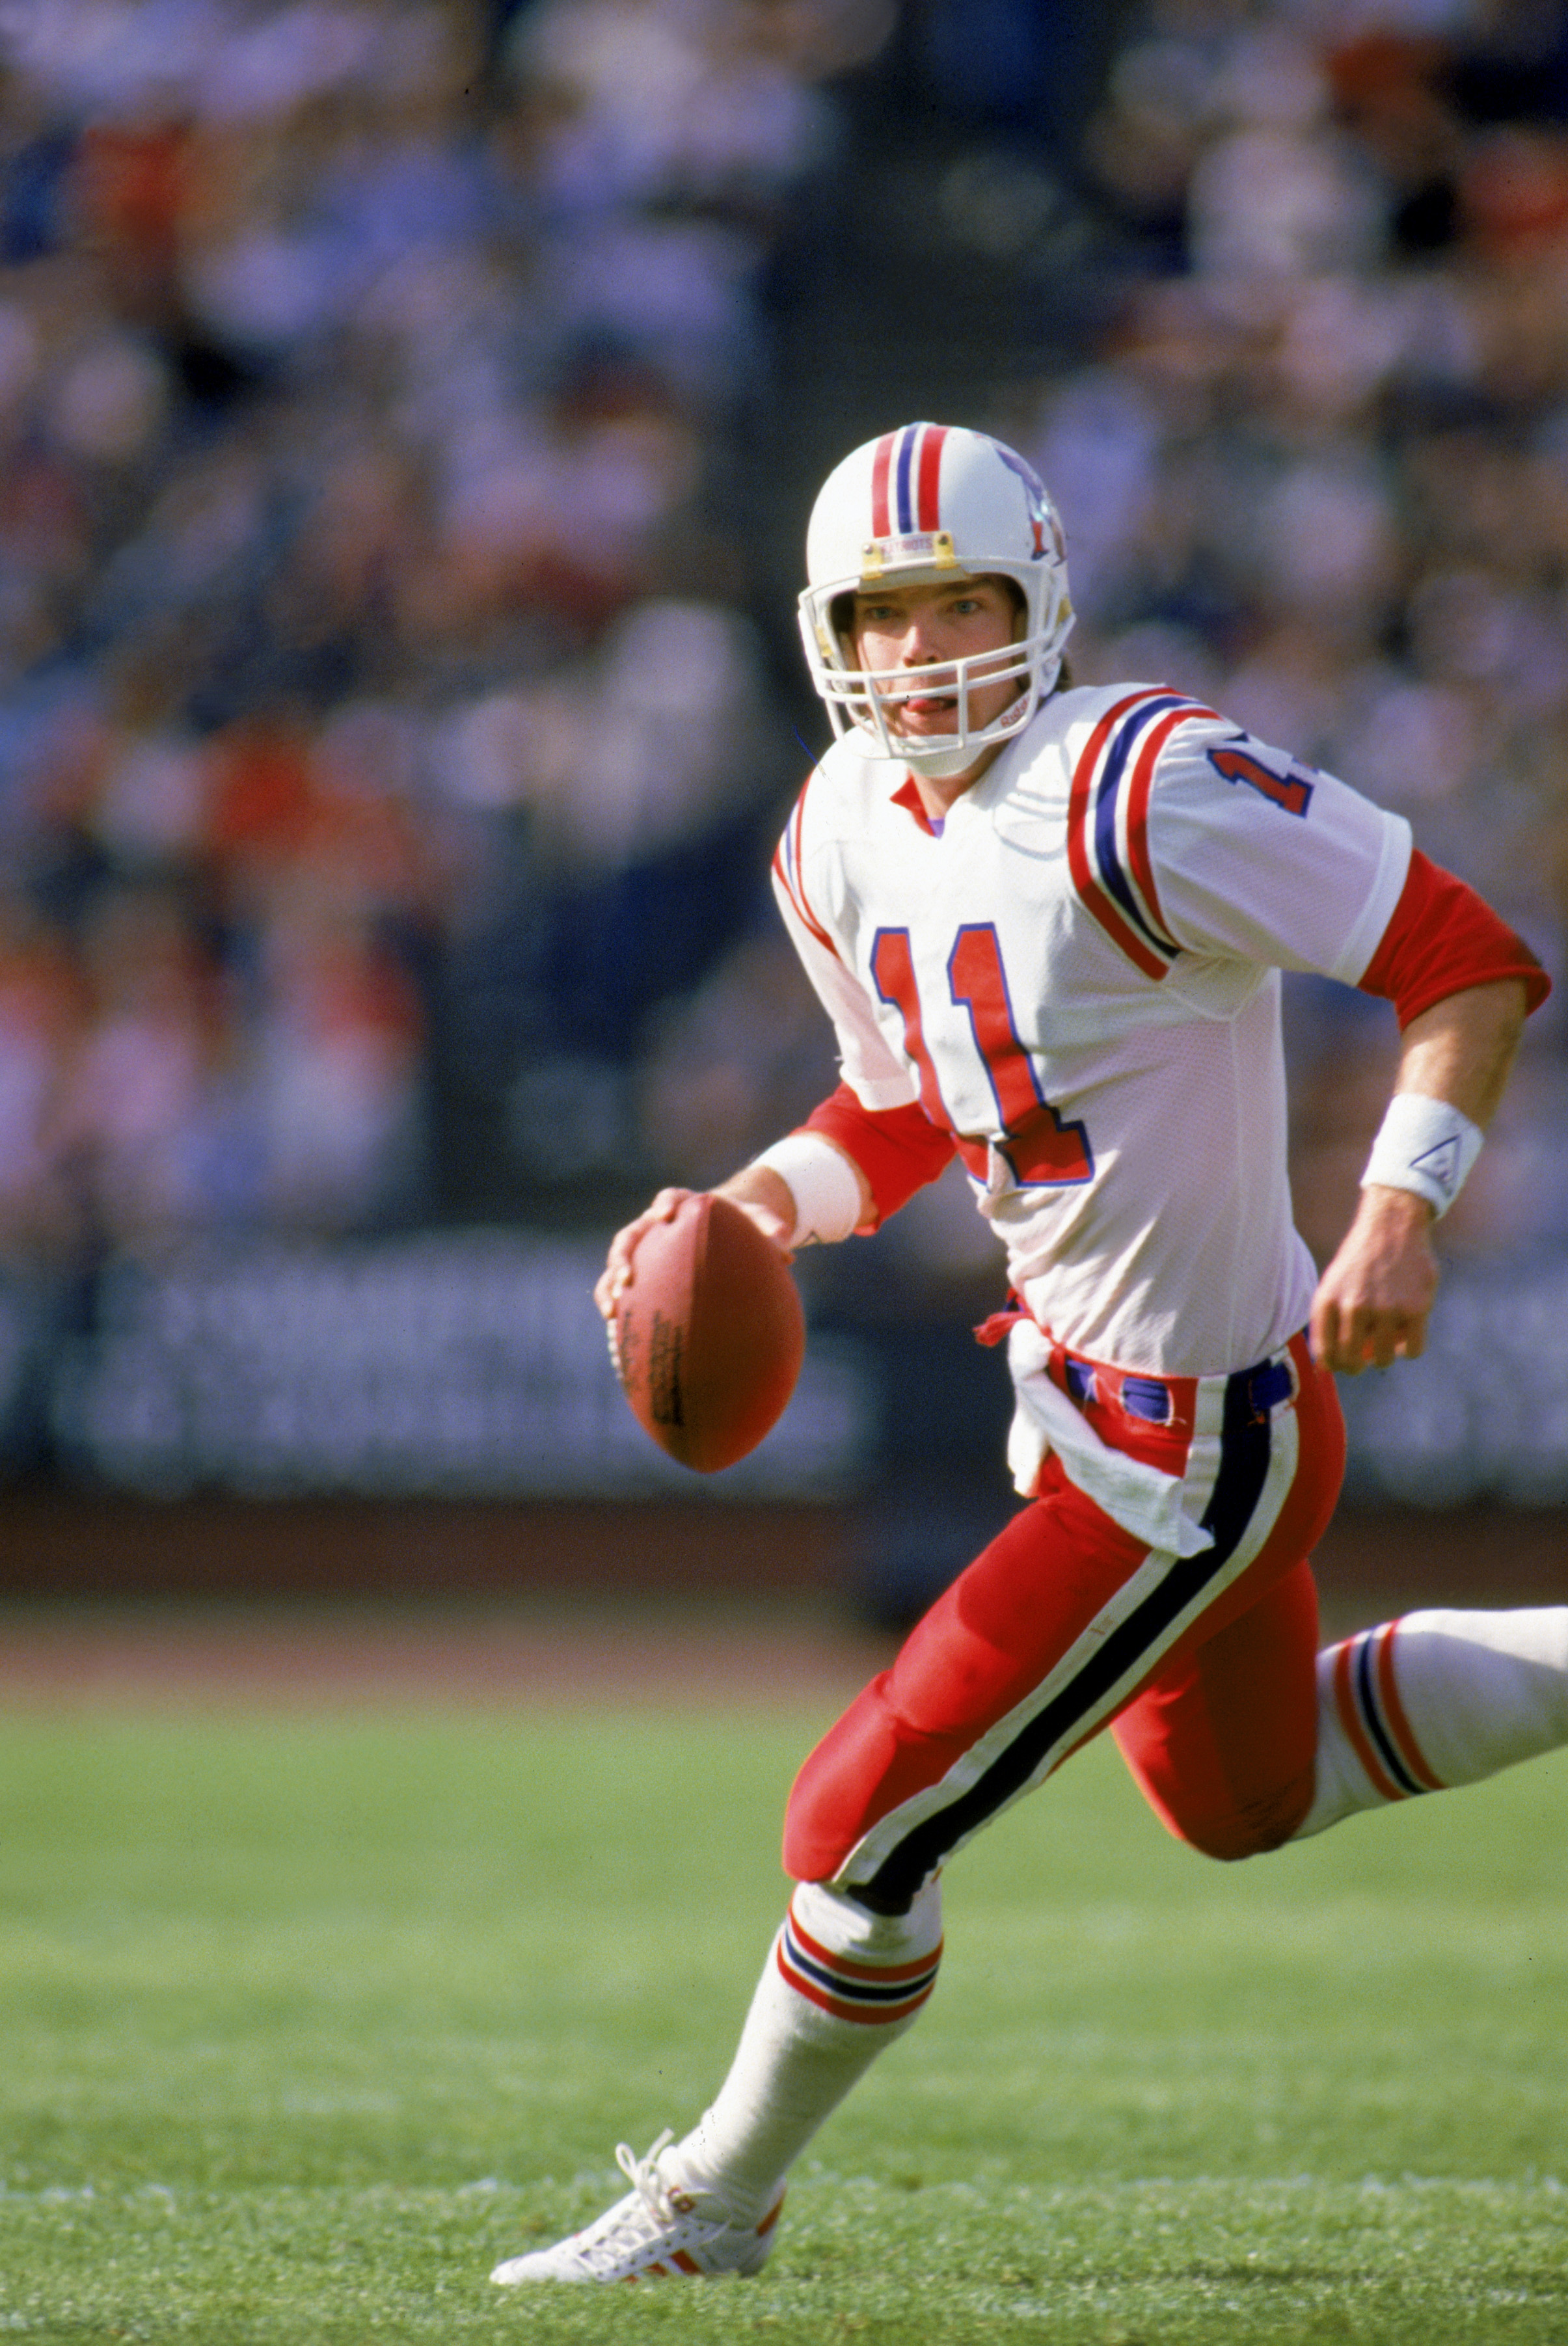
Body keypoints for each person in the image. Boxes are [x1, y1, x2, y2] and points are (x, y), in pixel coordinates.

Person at [491, 422, 1564, 2287]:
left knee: (853, 1820)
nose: (920, 653)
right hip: (1098, 1410)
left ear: (1039, 598)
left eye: (958, 605)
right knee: (1239, 1799)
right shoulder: (832, 827)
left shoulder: (1140, 783)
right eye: (881, 615)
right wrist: (747, 1212)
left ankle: (712, 2204)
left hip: (1187, 1441)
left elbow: (1460, 953)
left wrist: (1401, 1203)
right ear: (827, 630)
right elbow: (906, 1104)